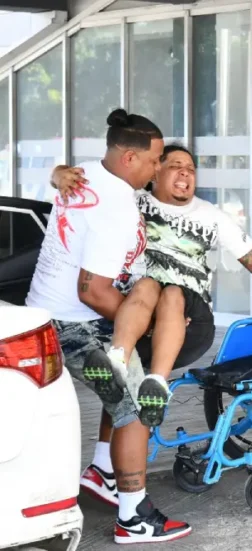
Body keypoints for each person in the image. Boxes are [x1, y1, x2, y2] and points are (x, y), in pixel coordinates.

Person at [50, 143, 252, 430]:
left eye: (191, 169)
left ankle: (157, 386)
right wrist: (59, 175)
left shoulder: (211, 216)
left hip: (190, 323)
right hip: (138, 319)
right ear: (155, 172)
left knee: (170, 292)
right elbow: (82, 184)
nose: (185, 173)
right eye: (175, 166)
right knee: (124, 392)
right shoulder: (132, 201)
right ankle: (117, 366)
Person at [25, 109, 191, 543]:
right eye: (154, 161)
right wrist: (143, 326)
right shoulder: (115, 206)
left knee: (121, 371)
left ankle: (103, 472)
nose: (157, 169)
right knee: (136, 406)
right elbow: (93, 291)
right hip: (75, 326)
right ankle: (134, 518)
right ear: (130, 158)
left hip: (46, 312)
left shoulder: (87, 174)